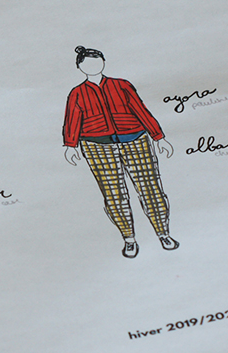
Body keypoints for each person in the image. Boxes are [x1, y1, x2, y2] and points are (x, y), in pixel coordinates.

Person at [62, 47, 178, 258]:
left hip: (136, 139)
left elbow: (140, 110)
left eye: (97, 61)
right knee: (114, 193)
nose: (93, 66)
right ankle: (129, 239)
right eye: (87, 63)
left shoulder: (122, 85)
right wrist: (70, 145)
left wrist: (158, 136)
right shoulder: (77, 93)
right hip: (96, 145)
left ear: (103, 62)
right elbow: (72, 119)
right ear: (80, 67)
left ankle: (163, 233)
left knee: (151, 188)